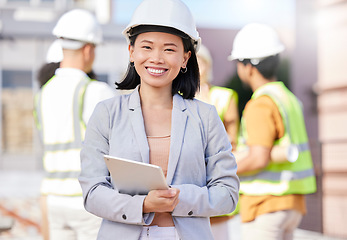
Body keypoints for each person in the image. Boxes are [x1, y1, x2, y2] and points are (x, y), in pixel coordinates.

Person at [78, 0, 240, 239]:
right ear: (132, 52)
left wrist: (178, 199)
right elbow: (92, 193)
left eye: (169, 49)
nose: (157, 58)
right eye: (147, 47)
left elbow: (228, 194)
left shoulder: (205, 117)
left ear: (185, 58)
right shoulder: (107, 114)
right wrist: (142, 205)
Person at [33, 9, 116, 240]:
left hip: (53, 199)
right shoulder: (94, 90)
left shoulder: (42, 93)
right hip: (86, 199)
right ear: (89, 49)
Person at [229, 23, 317, 240]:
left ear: (248, 66)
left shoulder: (261, 103)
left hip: (266, 205)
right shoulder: (288, 98)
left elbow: (259, 158)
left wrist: (220, 169)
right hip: (292, 204)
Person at [196, 44, 239, 240]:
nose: (197, 69)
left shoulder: (223, 96)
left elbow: (233, 139)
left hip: (215, 179)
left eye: (201, 63)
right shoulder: (176, 99)